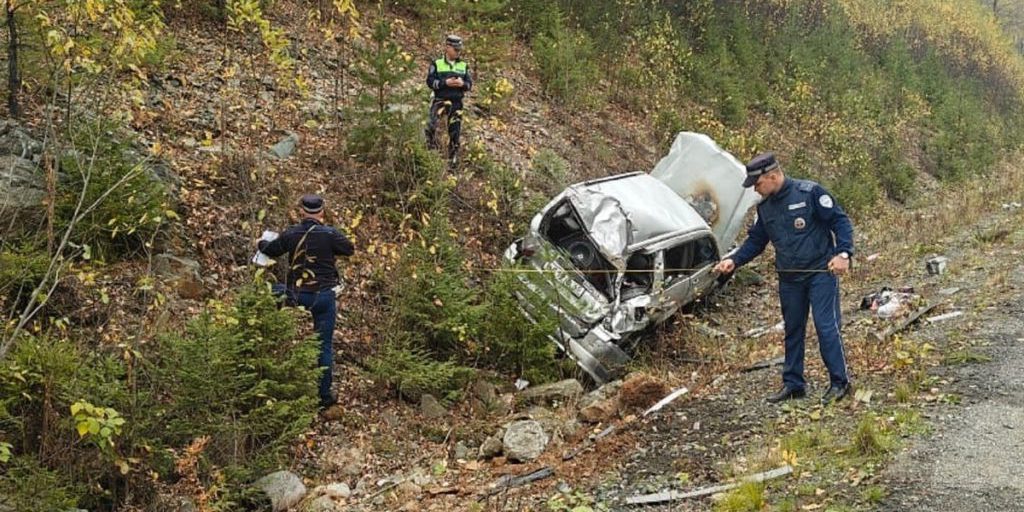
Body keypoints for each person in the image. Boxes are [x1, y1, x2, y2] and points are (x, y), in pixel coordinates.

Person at [713, 153, 855, 405]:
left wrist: (843, 253)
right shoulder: (765, 207)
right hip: (789, 279)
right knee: (793, 329)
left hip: (820, 273)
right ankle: (794, 384)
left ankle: (839, 382)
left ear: (773, 176)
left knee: (826, 327)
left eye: (758, 184)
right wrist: (734, 260)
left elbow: (840, 221)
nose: (756, 190)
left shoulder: (809, 193)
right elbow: (757, 241)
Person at [257, 194, 355, 408]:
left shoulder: (292, 233)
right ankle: (324, 397)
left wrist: (261, 242)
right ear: (322, 212)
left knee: (268, 292)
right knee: (324, 346)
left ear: (301, 211)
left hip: (298, 295)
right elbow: (349, 249)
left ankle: (265, 348)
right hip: (324, 298)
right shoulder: (330, 234)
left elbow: (270, 250)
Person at [425, 34, 472, 166]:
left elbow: (469, 84)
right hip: (440, 99)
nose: (458, 52)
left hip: (457, 102)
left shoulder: (463, 66)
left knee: (454, 131)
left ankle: (453, 161)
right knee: (432, 127)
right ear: (447, 47)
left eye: (459, 50)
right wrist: (445, 83)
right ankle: (430, 156)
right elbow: (430, 81)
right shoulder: (437, 63)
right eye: (455, 49)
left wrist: (462, 84)